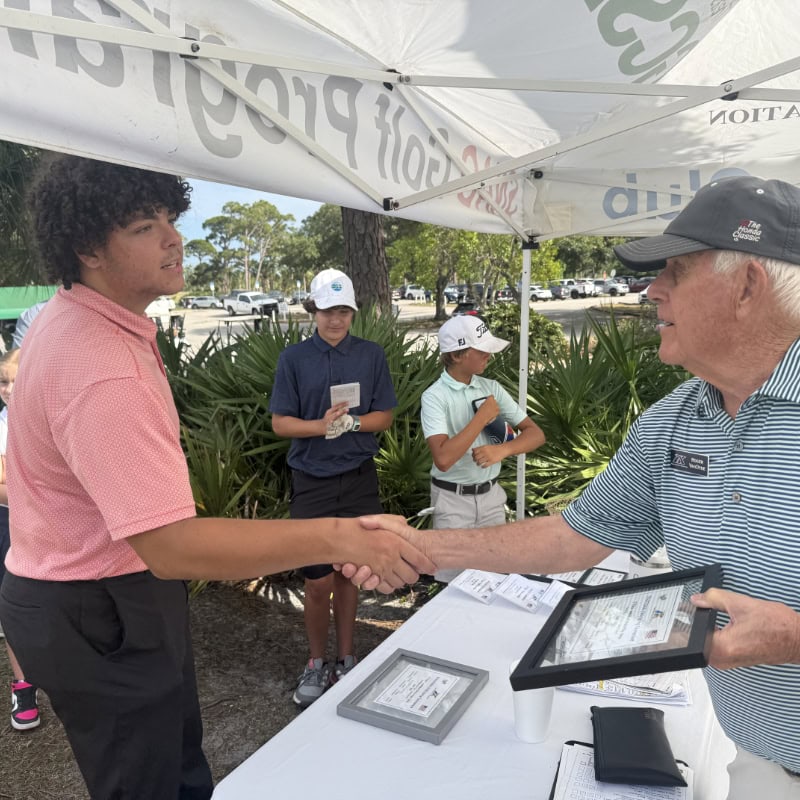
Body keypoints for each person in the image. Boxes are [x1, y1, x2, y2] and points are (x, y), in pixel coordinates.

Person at [0, 154, 433, 800]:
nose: (174, 237)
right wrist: (339, 537)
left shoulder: (69, 322)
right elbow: (172, 546)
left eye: (169, 216)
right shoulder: (99, 364)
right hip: (101, 600)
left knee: (173, 770)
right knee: (150, 783)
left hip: (86, 588)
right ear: (89, 246)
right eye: (145, 226)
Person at [355, 175, 800, 799]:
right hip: (758, 762)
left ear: (748, 286)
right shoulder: (674, 418)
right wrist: (420, 549)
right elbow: (574, 536)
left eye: (676, 271)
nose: (653, 290)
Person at [269, 268, 396, 707]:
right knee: (318, 581)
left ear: (353, 312)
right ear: (313, 311)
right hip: (312, 482)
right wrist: (320, 426)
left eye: (344, 311)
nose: (336, 320)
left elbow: (385, 415)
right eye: (327, 310)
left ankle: (347, 657)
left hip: (359, 477)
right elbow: (280, 422)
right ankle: (316, 661)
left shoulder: (371, 354)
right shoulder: (294, 359)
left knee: (349, 575)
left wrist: (352, 422)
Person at [421, 315, 545, 581]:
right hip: (452, 502)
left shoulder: (492, 388)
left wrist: (502, 451)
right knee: (454, 584)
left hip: (491, 498)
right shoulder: (434, 397)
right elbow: (443, 459)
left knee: (496, 578)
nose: (489, 354)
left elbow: (536, 434)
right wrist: (481, 418)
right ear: (457, 355)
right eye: (482, 349)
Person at [0, 348, 40, 731]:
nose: (10, 389)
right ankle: (23, 686)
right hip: (8, 528)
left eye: (16, 379)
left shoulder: (47, 418)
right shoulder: (1, 425)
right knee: (13, 608)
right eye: (2, 382)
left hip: (50, 531)